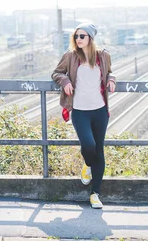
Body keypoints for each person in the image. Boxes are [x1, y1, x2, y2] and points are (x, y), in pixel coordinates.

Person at [51, 23, 116, 209]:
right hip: (79, 110)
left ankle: (95, 194)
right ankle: (87, 165)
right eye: (76, 36)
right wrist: (64, 80)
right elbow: (56, 72)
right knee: (89, 145)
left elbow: (110, 73)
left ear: (90, 38)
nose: (78, 39)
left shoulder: (103, 56)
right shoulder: (70, 56)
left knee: (99, 150)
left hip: (100, 110)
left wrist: (111, 79)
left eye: (82, 36)